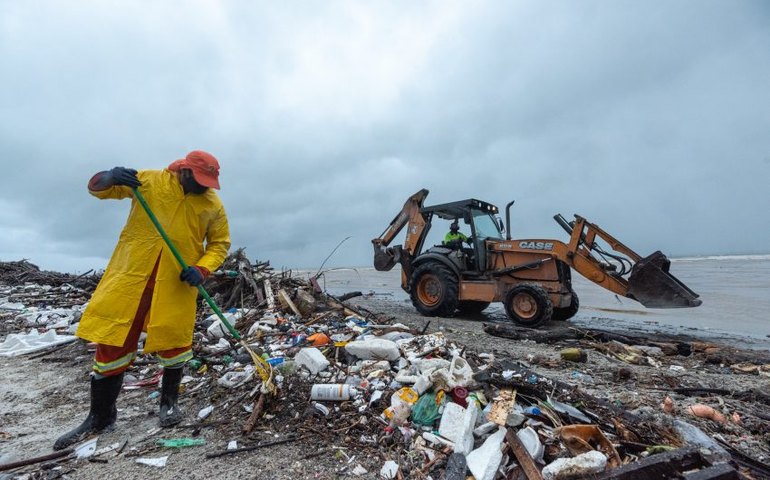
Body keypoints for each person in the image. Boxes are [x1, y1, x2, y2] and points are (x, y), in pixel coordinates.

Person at [53, 151, 231, 450]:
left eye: (208, 182)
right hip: (131, 278)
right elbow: (99, 189)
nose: (204, 187)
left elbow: (219, 243)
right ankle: (100, 417)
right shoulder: (149, 181)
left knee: (175, 343)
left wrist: (203, 269)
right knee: (112, 341)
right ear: (184, 170)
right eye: (200, 180)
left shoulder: (212, 204)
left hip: (176, 283)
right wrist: (109, 176)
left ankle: (169, 404)